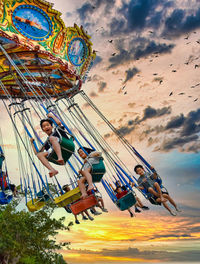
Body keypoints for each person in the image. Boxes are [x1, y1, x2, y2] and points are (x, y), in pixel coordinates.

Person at [30, 113, 69, 177]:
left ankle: (60, 157)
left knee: (51, 138)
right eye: (44, 126)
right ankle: (52, 170)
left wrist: (52, 116)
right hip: (54, 151)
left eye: (48, 125)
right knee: (39, 155)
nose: (46, 127)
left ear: (51, 126)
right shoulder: (47, 142)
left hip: (64, 144)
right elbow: (37, 152)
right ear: (43, 130)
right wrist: (32, 143)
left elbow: (59, 123)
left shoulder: (57, 131)